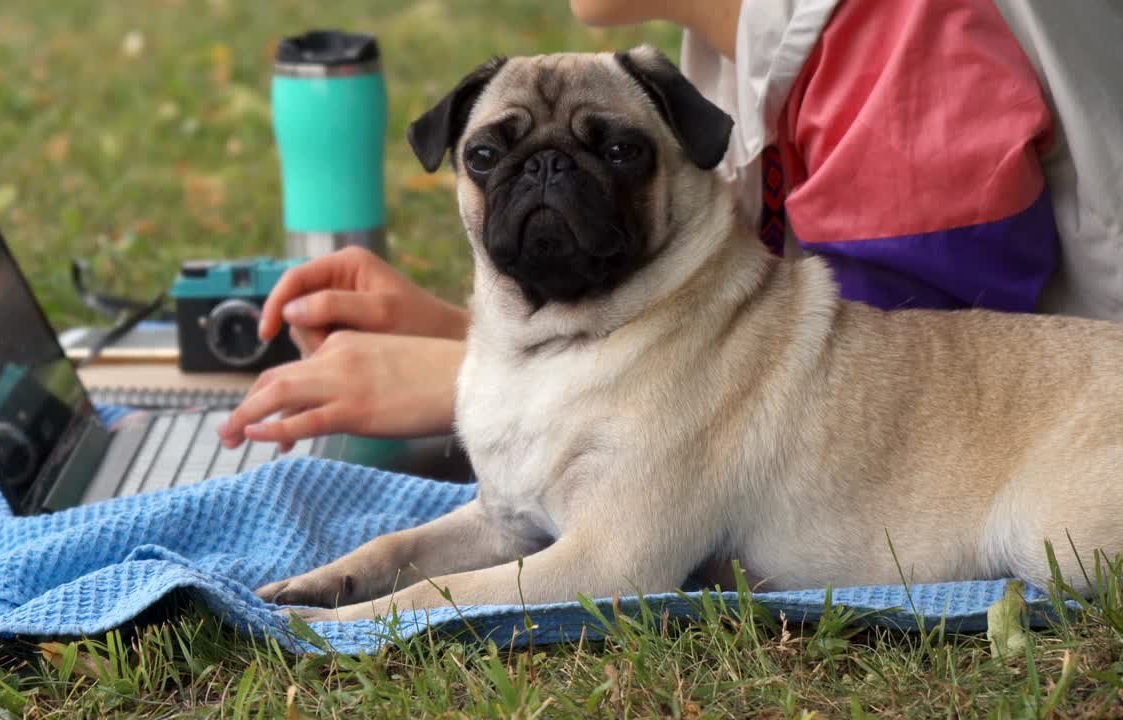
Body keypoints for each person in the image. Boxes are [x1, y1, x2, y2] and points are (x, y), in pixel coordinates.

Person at [219, 0, 1123, 452]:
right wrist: (492, 342)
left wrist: (463, 385)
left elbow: (876, 408)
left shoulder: (901, 38)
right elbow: (736, 358)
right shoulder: (718, 52)